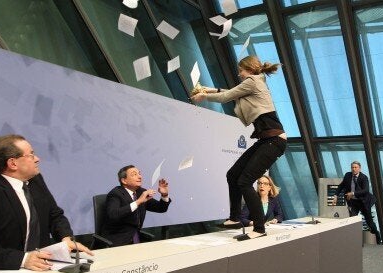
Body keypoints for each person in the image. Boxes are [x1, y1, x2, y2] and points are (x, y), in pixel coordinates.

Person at [0, 134, 92, 271]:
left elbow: (55, 215)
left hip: (39, 269)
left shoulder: (35, 181)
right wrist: (23, 259)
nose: (37, 159)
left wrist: (65, 238)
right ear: (13, 163)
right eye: (31, 155)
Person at [191, 56, 287, 241]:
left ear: (249, 69)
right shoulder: (254, 82)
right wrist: (210, 89)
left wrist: (204, 96)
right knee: (233, 174)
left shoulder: (253, 80)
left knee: (244, 180)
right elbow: (232, 92)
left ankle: (259, 228)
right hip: (267, 140)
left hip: (274, 140)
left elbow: (228, 96)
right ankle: (235, 218)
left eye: (240, 70)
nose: (238, 73)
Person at [101, 165, 171, 247]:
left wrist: (164, 195)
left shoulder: (141, 192)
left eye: (139, 173)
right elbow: (113, 214)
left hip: (137, 238)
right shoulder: (115, 193)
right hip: (117, 240)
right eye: (134, 174)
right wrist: (138, 202)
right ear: (124, 180)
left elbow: (161, 208)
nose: (139, 177)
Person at [332, 161, 381, 244]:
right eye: (352, 167)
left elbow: (365, 191)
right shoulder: (348, 175)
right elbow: (341, 186)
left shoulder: (364, 177)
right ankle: (356, 241)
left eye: (355, 167)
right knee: (353, 220)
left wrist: (353, 193)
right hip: (353, 202)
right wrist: (336, 196)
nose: (354, 169)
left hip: (363, 202)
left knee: (369, 222)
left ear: (359, 168)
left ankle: (377, 235)